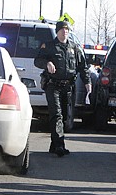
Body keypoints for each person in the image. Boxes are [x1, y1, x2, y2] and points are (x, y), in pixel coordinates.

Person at [34, 20, 91, 157]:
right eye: (62, 30)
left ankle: (54, 145)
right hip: (53, 85)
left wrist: (87, 82)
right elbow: (37, 61)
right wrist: (47, 63)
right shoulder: (49, 46)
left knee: (65, 117)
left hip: (68, 87)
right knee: (57, 114)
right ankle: (60, 145)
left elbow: (83, 67)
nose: (64, 32)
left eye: (67, 30)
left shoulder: (74, 47)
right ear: (57, 31)